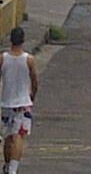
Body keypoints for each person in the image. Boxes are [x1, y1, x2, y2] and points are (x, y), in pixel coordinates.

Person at [0, 28, 38, 174]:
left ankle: (7, 165)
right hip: (23, 103)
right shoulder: (29, 60)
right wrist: (32, 94)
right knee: (18, 137)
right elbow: (34, 80)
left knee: (8, 137)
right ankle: (13, 170)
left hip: (6, 102)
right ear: (23, 40)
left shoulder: (3, 58)